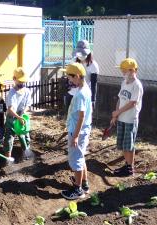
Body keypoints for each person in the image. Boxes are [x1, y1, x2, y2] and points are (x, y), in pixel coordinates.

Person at [60, 62, 92, 200]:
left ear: (78, 76)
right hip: (83, 129)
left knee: (76, 160)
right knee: (81, 156)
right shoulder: (86, 88)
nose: (69, 80)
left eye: (70, 77)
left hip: (77, 130)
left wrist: (75, 136)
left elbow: (81, 116)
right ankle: (84, 184)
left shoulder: (80, 94)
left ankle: (77, 189)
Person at [110, 58, 143, 177]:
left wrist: (118, 111)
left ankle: (129, 168)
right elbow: (120, 98)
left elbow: (132, 103)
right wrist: (116, 114)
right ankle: (127, 165)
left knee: (129, 145)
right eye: (123, 70)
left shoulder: (137, 85)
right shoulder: (124, 82)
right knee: (123, 145)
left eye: (127, 70)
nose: (124, 73)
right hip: (121, 118)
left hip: (130, 119)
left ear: (134, 70)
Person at [2, 67, 33, 163]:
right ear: (14, 79)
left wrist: (23, 113)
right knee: (9, 139)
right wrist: (18, 117)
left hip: (21, 117)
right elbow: (10, 109)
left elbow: (28, 105)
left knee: (25, 137)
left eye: (23, 81)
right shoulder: (12, 93)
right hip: (12, 118)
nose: (22, 84)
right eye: (20, 81)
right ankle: (8, 160)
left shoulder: (27, 91)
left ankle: (26, 157)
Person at [73, 40, 99, 109]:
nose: (80, 55)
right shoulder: (74, 62)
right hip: (74, 92)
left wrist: (93, 99)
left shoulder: (93, 65)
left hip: (85, 93)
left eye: (83, 53)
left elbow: (94, 84)